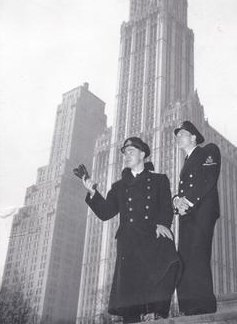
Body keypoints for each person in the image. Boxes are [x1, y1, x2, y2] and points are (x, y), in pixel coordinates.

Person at [76, 137, 181, 323]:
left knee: (171, 262)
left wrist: (163, 223)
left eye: (131, 151)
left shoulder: (159, 180)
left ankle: (156, 311)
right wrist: (93, 192)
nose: (126, 155)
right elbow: (106, 212)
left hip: (152, 237)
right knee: (129, 292)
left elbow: (166, 206)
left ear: (143, 154)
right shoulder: (119, 186)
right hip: (129, 242)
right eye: (124, 153)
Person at [172, 121, 221, 315]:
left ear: (193, 137)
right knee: (185, 258)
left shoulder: (208, 150)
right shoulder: (186, 160)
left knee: (198, 257)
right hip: (187, 214)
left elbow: (208, 178)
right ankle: (188, 307)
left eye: (182, 134)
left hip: (201, 212)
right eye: (177, 135)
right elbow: (183, 190)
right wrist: (177, 200)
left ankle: (203, 306)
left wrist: (188, 201)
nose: (178, 138)